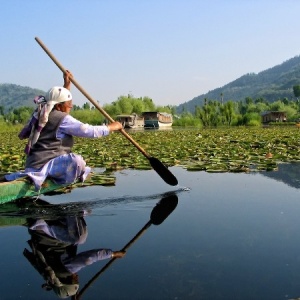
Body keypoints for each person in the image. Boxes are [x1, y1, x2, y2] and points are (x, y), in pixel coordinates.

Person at [4, 70, 122, 190]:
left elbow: (59, 101)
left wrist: (66, 85)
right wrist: (112, 127)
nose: (71, 106)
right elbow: (88, 131)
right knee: (77, 161)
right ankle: (53, 179)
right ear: (59, 105)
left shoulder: (41, 112)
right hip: (45, 166)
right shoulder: (62, 119)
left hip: (33, 164)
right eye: (69, 103)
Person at [23, 200, 125, 299]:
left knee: (79, 238)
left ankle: (72, 212)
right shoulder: (52, 272)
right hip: (41, 232)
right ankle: (71, 214)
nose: (77, 277)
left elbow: (89, 258)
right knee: (77, 228)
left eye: (75, 280)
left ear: (67, 280)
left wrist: (112, 254)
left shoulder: (66, 270)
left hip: (45, 230)